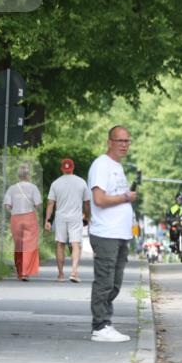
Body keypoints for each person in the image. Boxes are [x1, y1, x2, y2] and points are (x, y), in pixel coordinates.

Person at [87, 125, 137, 343]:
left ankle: (105, 322)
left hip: (119, 233)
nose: (124, 145)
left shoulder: (117, 167)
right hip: (106, 233)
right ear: (109, 142)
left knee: (115, 283)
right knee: (105, 281)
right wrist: (126, 198)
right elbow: (99, 199)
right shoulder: (101, 165)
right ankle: (100, 325)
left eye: (127, 141)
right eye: (120, 141)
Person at [44, 158, 90, 282]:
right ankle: (74, 272)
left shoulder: (55, 183)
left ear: (61, 169)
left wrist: (47, 220)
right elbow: (87, 203)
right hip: (76, 217)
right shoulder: (81, 182)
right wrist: (87, 216)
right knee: (75, 244)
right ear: (73, 168)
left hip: (60, 217)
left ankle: (60, 275)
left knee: (60, 244)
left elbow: (50, 203)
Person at [3, 162, 42, 281]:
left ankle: (20, 271)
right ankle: (25, 271)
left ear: (18, 175)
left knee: (18, 245)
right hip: (29, 217)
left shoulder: (12, 188)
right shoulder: (33, 188)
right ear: (28, 175)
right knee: (29, 244)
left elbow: (7, 206)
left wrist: (14, 210)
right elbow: (38, 205)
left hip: (16, 218)